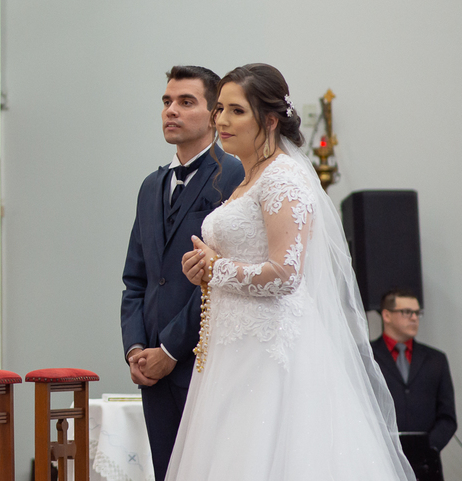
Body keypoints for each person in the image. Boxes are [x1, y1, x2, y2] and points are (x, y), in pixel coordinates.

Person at [171, 63, 414, 480]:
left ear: (269, 120)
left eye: (236, 111)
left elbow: (286, 273)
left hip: (268, 350)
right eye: (220, 109)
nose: (221, 121)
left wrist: (217, 268)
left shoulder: (283, 178)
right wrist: (203, 269)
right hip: (232, 345)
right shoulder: (247, 180)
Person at [121, 65, 244, 481]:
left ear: (214, 114)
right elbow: (136, 279)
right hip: (152, 369)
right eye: (166, 102)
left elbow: (220, 280)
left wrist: (170, 350)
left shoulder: (234, 175)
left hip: (204, 360)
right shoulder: (149, 186)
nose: (171, 110)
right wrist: (136, 348)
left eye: (186, 102)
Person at [372, 288, 456, 481]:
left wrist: (428, 446)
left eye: (417, 313)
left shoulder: (436, 359)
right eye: (407, 312)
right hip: (380, 460)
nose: (414, 318)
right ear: (386, 315)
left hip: (427, 466)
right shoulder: (366, 357)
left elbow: (448, 416)